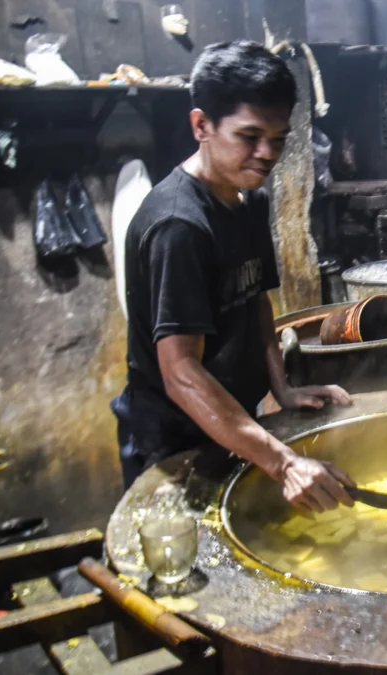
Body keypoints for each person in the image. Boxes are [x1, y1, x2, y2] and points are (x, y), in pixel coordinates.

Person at [111, 41, 355, 512]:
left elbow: (255, 300)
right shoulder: (179, 226)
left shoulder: (249, 199)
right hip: (173, 436)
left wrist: (281, 387)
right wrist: (284, 463)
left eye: (279, 138)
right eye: (249, 136)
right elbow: (181, 372)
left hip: (233, 421)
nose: (267, 154)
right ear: (201, 125)